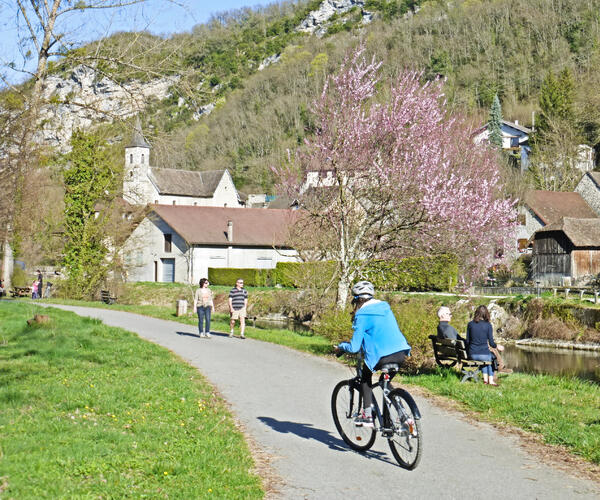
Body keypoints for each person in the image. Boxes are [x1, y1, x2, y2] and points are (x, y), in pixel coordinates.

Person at [335, 281, 411, 428]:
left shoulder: (362, 315)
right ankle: (404, 416)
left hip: (382, 356)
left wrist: (341, 347)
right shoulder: (385, 307)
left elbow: (354, 347)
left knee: (365, 378)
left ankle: (367, 415)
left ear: (356, 300)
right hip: (401, 352)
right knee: (385, 383)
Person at [466, 305, 504, 386]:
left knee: (486, 361)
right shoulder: (488, 325)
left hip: (472, 354)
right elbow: (491, 343)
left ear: (476, 313)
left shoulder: (470, 324)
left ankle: (486, 380)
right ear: (486, 314)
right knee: (491, 358)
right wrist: (498, 346)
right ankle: (491, 381)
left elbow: (467, 341)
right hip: (484, 355)